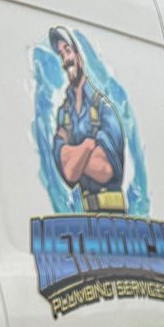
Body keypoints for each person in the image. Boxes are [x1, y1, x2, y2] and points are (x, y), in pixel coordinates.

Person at [49, 28, 127, 214]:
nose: (65, 59)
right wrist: (88, 146)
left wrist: (73, 154)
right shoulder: (64, 114)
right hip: (88, 219)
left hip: (115, 220)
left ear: (79, 56)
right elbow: (68, 173)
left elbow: (105, 169)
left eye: (67, 51)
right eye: (61, 55)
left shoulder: (104, 109)